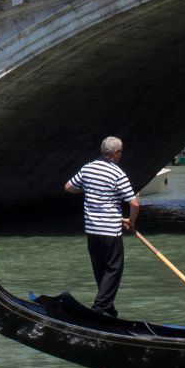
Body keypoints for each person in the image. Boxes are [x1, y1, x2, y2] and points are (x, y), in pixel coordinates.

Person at [63, 136, 137, 317]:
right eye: (121, 152)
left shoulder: (88, 168)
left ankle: (108, 310)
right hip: (110, 231)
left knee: (101, 270)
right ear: (116, 153)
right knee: (114, 269)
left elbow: (68, 187)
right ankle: (100, 309)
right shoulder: (117, 173)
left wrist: (88, 189)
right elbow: (134, 204)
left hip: (92, 231)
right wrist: (131, 223)